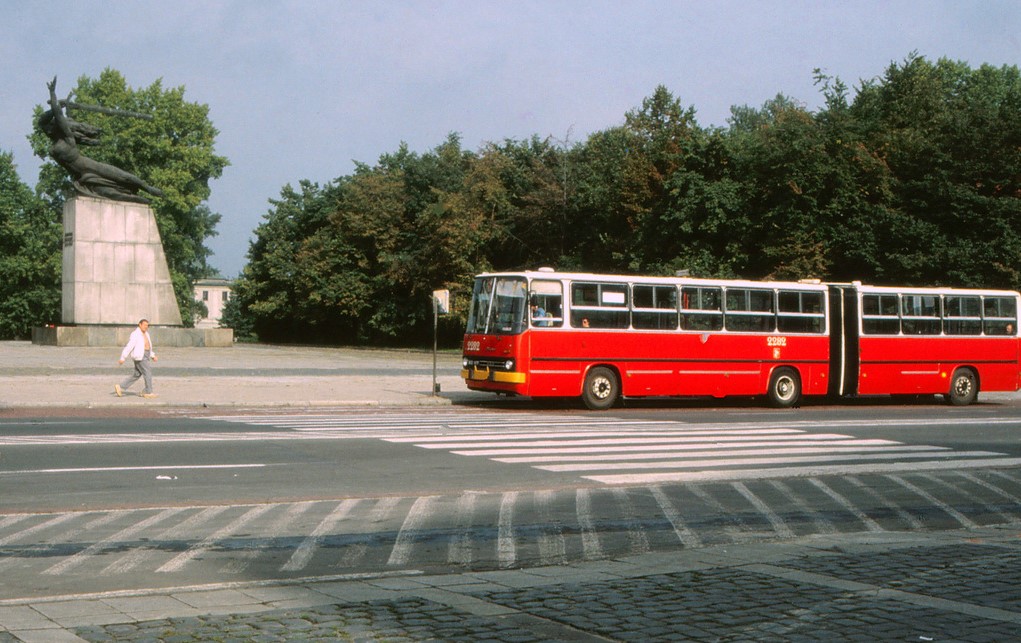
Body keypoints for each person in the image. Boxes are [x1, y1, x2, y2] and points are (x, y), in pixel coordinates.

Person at [41, 77, 163, 204]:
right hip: (82, 177)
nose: (48, 130)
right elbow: (43, 120)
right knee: (110, 193)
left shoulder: (67, 137)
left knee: (122, 176)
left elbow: (58, 115)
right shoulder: (55, 143)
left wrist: (52, 94)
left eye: (52, 126)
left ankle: (148, 188)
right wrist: (56, 106)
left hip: (91, 167)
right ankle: (140, 199)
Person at [116, 319, 158, 398]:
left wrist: (152, 355)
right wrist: (123, 357)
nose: (146, 327)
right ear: (140, 324)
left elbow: (148, 346)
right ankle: (148, 391)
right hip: (140, 357)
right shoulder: (135, 334)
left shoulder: (146, 334)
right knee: (148, 373)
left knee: (137, 374)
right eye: (145, 325)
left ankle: (121, 387)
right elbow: (129, 346)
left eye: (147, 325)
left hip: (146, 355)